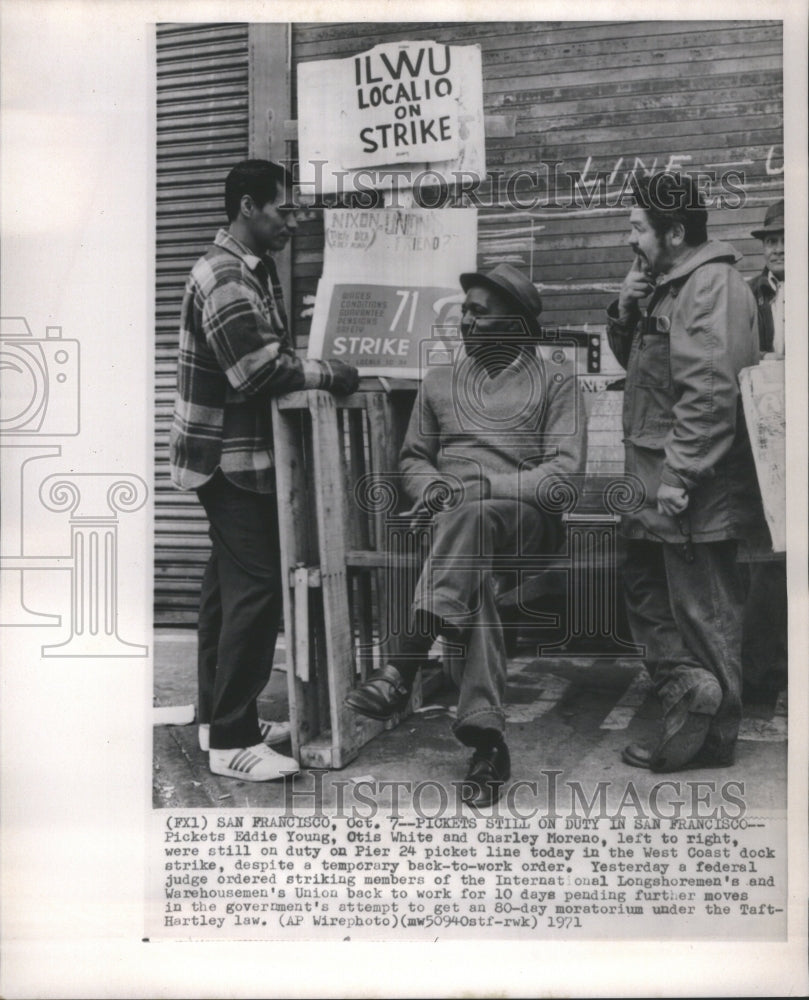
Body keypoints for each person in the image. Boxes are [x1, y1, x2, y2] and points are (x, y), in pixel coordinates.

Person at [344, 263, 586, 806]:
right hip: (455, 524)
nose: (467, 323)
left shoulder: (556, 379)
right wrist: (437, 490)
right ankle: (486, 739)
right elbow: (412, 460)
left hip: (526, 522)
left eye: (481, 313)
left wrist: (484, 484)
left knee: (473, 521)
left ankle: (402, 663)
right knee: (471, 567)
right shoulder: (439, 379)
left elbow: (563, 478)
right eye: (465, 313)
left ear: (518, 324)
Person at [170, 159, 359, 782]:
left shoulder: (252, 270)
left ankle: (218, 719)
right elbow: (254, 371)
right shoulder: (225, 275)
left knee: (226, 594)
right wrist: (332, 372)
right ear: (248, 207)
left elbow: (270, 355)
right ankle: (230, 743)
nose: (293, 221)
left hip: (239, 458)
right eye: (284, 208)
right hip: (232, 459)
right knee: (255, 593)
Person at [606, 171, 763, 773]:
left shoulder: (711, 286)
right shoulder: (667, 287)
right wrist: (625, 308)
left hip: (688, 485)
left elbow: (710, 391)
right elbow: (641, 368)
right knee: (649, 594)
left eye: (638, 228)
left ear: (673, 232)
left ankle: (714, 738)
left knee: (703, 610)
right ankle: (689, 701)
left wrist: (681, 475)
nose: (631, 240)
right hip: (654, 480)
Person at [742, 199, 787, 702]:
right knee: (767, 558)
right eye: (770, 239)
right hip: (765, 439)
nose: (776, 246)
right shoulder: (749, 296)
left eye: (785, 237)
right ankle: (758, 676)